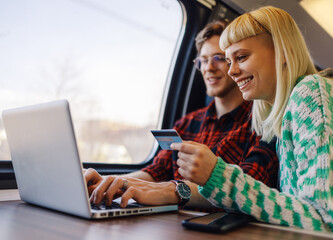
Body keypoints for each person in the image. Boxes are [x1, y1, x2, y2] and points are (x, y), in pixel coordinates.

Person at [172, 6, 333, 237]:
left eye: (241, 57)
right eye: (229, 61)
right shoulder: (283, 117)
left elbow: (327, 223)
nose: (231, 71)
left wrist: (218, 176)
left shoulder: (314, 93)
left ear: (283, 52)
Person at [84, 20, 278, 210]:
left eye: (218, 58)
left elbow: (251, 188)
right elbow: (156, 171)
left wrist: (171, 191)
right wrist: (109, 182)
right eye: (203, 60)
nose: (208, 67)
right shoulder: (187, 122)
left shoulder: (260, 122)